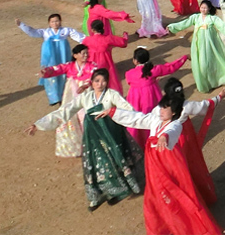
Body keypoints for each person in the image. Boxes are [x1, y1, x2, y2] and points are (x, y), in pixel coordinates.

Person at [98, 88, 222, 235]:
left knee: (178, 193)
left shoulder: (176, 124)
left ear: (174, 112)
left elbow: (172, 132)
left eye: (165, 108)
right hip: (153, 164)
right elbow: (136, 118)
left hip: (169, 164)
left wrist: (164, 137)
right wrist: (113, 112)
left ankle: (186, 226)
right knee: (155, 196)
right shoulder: (155, 120)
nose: (161, 111)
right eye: (161, 107)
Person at [26, 68, 141, 210]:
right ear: (91, 82)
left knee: (113, 159)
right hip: (93, 136)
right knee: (97, 162)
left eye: (104, 81)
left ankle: (120, 189)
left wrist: (113, 112)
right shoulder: (85, 97)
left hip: (111, 133)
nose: (100, 84)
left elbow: (128, 109)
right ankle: (99, 195)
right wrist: (38, 125)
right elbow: (64, 111)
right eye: (97, 81)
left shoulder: (112, 95)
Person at [166, 0, 225, 93]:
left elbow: (223, 26)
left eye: (205, 8)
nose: (203, 9)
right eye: (202, 7)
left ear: (209, 9)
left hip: (210, 44)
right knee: (202, 64)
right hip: (199, 45)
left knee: (212, 61)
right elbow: (184, 23)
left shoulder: (213, 18)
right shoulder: (195, 17)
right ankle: (206, 83)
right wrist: (172, 27)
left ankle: (217, 80)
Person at [124, 47, 188, 148]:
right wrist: (184, 58)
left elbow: (129, 81)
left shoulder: (129, 74)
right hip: (151, 98)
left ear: (135, 61)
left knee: (136, 120)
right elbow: (170, 67)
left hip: (135, 100)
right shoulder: (154, 70)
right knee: (156, 118)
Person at [17, 14, 86, 105]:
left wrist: (89, 42)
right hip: (50, 58)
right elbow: (33, 32)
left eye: (57, 21)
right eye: (52, 22)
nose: (55, 23)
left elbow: (79, 36)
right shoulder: (45, 32)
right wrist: (21, 25)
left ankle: (63, 96)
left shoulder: (66, 31)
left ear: (60, 21)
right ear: (49, 23)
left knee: (64, 74)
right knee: (51, 73)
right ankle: (54, 98)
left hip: (63, 56)